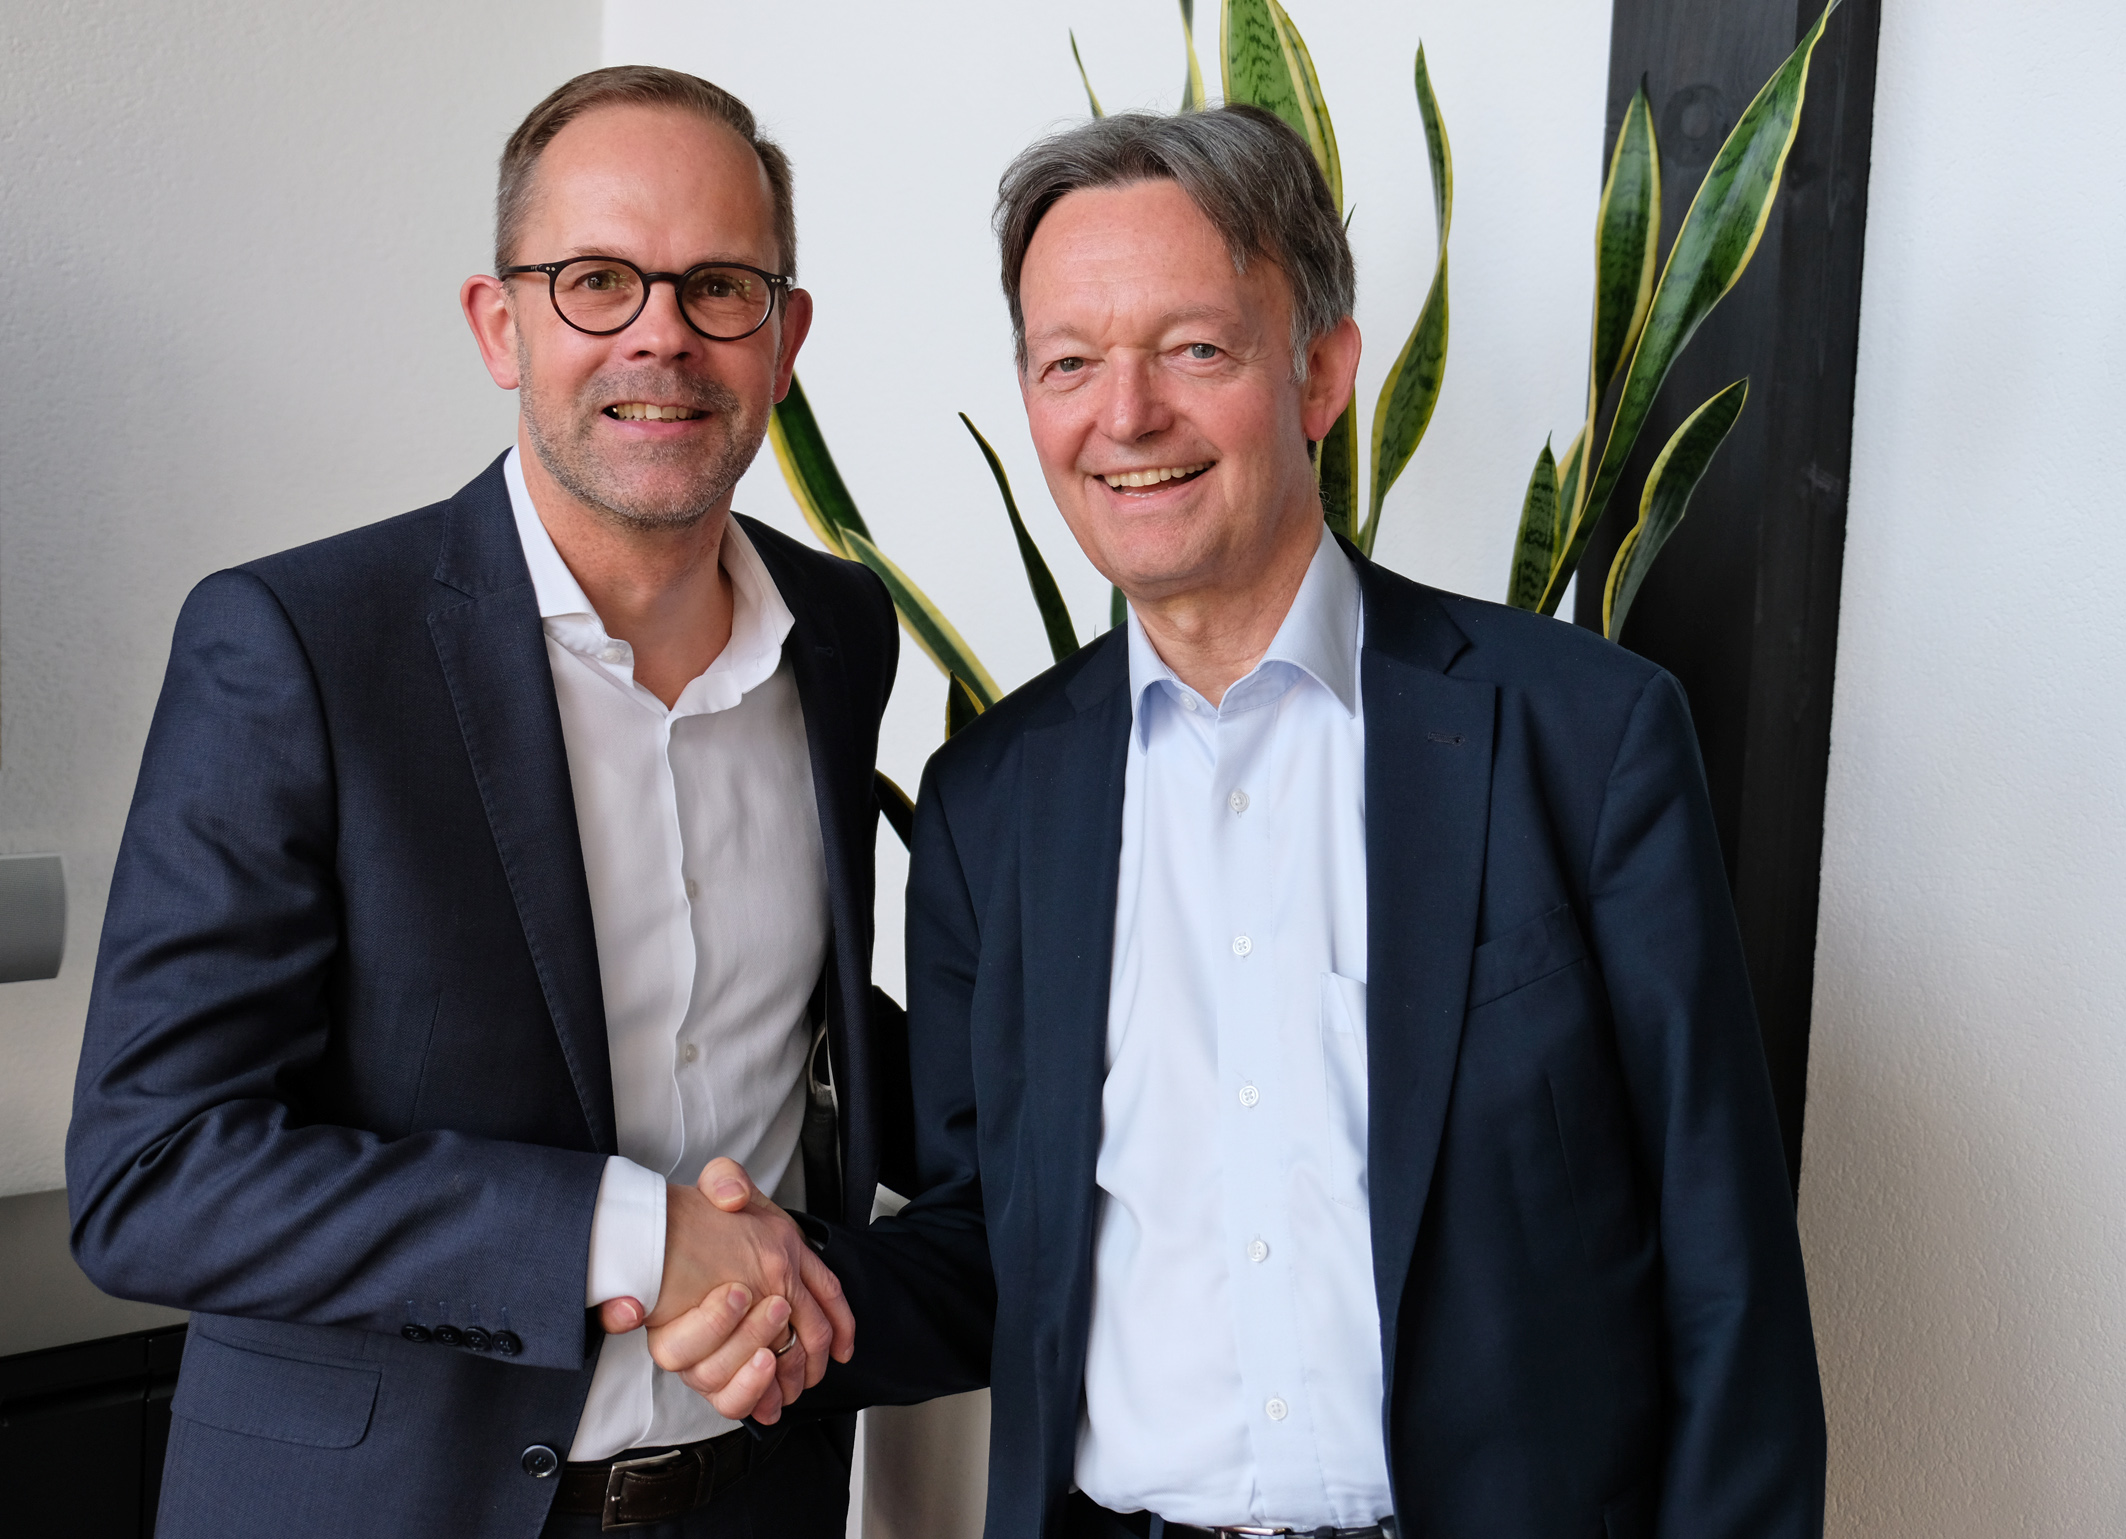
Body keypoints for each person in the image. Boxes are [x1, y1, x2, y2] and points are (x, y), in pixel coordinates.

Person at [661, 104, 1828, 1537]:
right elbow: (989, 1246)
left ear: (1320, 370)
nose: (1126, 415)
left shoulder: (1584, 737)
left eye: (1194, 349)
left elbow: (1724, 1265)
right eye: (1069, 362)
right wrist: (794, 1298)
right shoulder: (991, 801)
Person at [66, 66, 905, 1539]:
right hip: (382, 1507)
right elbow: (154, 1174)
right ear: (498, 324)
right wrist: (631, 1234)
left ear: (784, 338)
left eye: (719, 286)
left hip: (756, 1494)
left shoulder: (839, 634)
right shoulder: (299, 645)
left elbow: (807, 1045)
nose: (660, 332)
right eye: (596, 280)